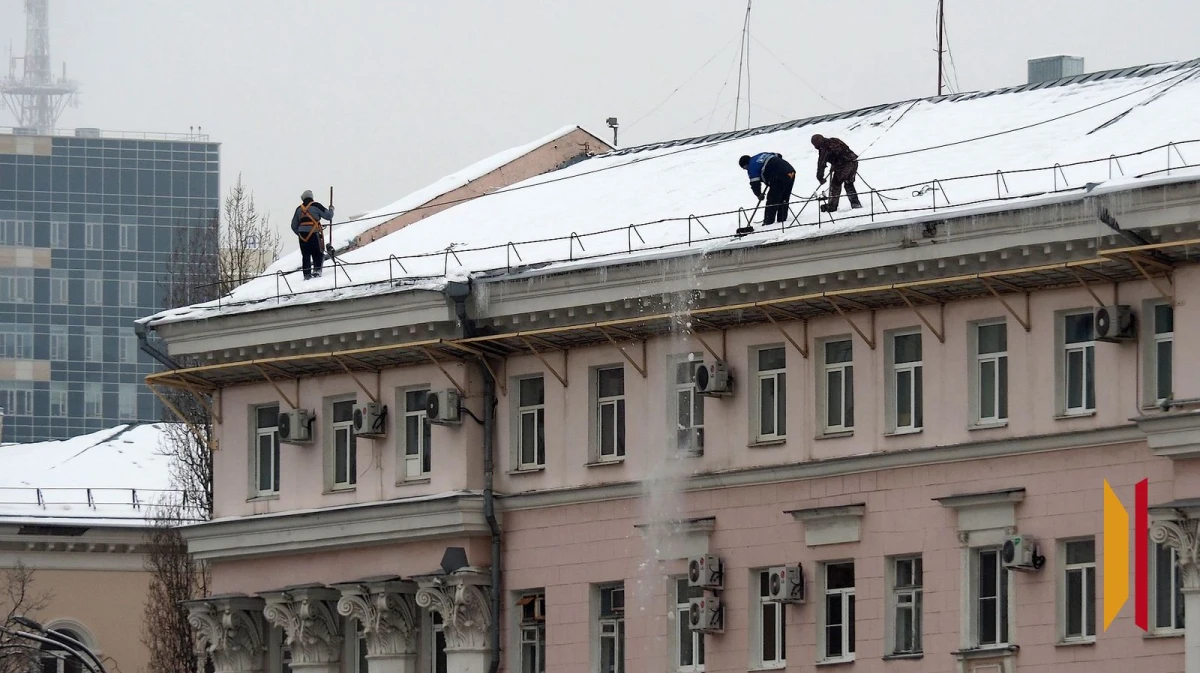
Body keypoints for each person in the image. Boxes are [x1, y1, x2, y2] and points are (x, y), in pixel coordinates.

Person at [738, 152, 796, 232]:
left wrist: (758, 194)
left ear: (745, 165)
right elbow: (779, 155)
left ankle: (768, 224)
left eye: (745, 168)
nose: (746, 170)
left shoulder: (752, 166)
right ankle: (782, 220)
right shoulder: (760, 155)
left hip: (779, 175)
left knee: (772, 200)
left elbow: (755, 183)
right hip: (790, 171)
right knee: (784, 197)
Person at [811, 134, 863, 212]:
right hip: (853, 161)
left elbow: (821, 164)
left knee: (835, 184)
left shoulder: (824, 148)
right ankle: (855, 203)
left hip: (844, 165)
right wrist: (834, 164)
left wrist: (820, 178)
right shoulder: (834, 140)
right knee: (848, 183)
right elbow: (844, 149)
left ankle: (832, 207)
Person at [291, 189, 335, 279]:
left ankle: (307, 274)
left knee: (306, 255)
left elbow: (293, 226)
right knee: (317, 252)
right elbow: (328, 216)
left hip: (302, 237)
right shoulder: (316, 205)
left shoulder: (299, 209)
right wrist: (331, 209)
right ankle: (317, 271)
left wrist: (300, 233)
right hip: (314, 234)